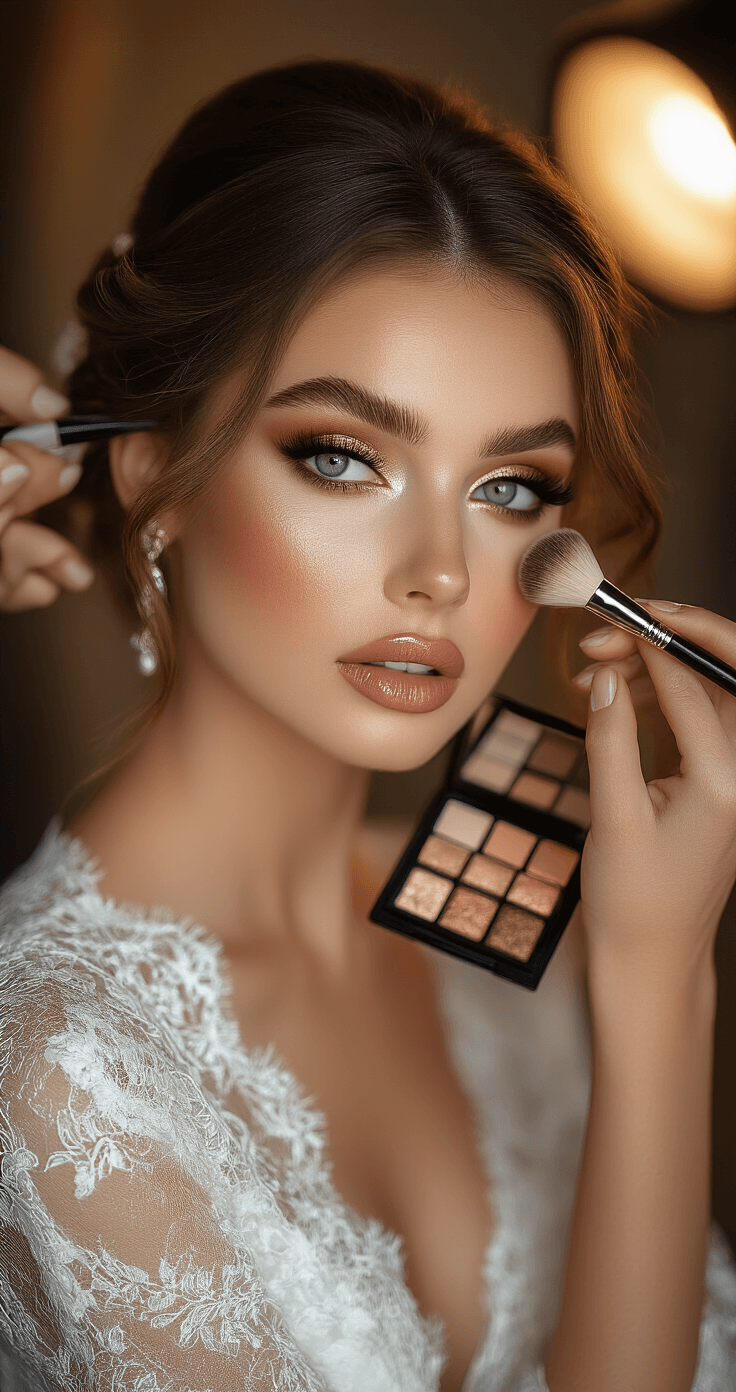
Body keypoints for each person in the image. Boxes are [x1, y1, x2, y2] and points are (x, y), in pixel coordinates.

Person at [1, 60, 735, 1392]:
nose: (443, 573)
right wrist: (664, 991)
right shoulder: (52, 1078)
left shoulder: (509, 938)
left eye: (513, 486)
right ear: (152, 471)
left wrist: (638, 971)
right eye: (344, 455)